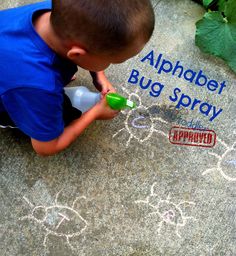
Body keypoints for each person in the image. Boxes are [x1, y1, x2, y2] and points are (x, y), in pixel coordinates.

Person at [0, 0, 155, 156]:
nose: (108, 65)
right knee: (63, 113)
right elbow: (46, 148)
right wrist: (95, 113)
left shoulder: (61, 12)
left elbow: (88, 40)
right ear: (77, 54)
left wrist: (98, 73)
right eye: (110, 61)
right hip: (11, 94)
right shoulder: (40, 87)